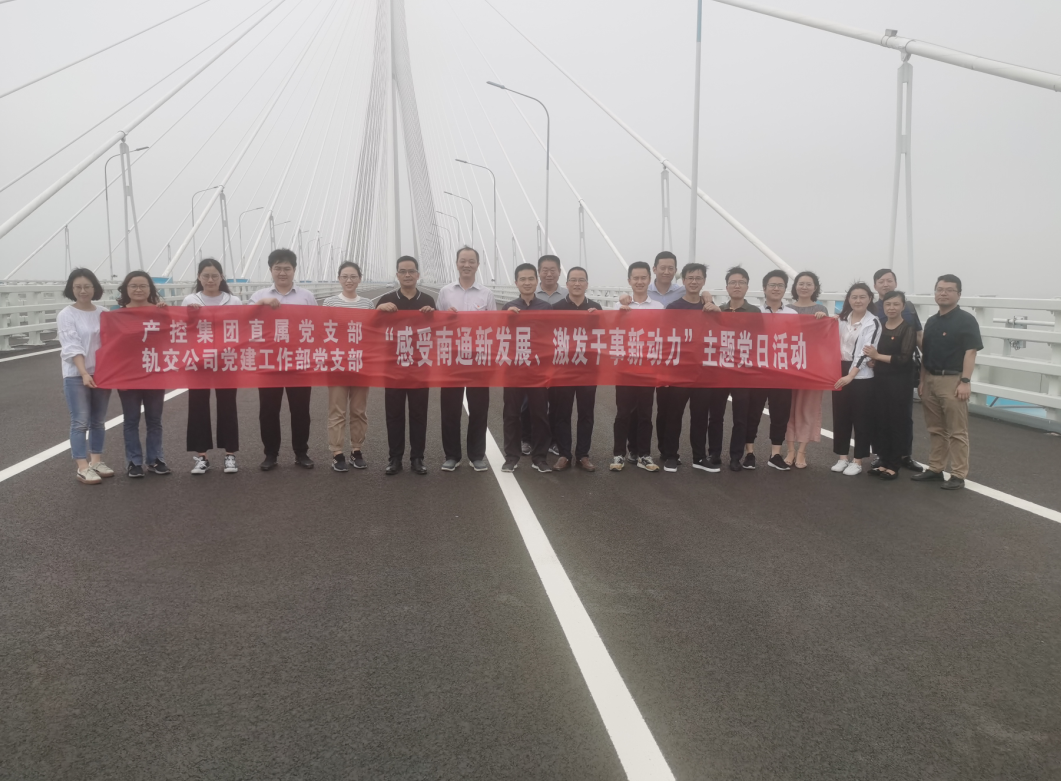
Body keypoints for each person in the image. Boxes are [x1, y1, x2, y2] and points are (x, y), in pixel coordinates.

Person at [911, 274, 983, 490]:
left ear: (958, 294)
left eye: (949, 290)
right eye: (940, 289)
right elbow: (926, 353)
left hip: (953, 379)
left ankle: (958, 474)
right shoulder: (932, 321)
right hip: (931, 379)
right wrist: (922, 381)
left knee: (957, 430)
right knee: (935, 428)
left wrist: (965, 381)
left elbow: (971, 352)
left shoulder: (966, 320)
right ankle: (935, 468)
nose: (943, 293)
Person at [249, 248, 318, 470]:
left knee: (300, 410)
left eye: (287, 268)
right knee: (268, 411)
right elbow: (244, 319)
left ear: (294, 270)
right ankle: (271, 454)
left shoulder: (306, 296)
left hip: (299, 361)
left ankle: (301, 452)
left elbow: (316, 325)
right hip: (269, 361)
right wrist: (262, 303)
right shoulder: (259, 296)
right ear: (270, 270)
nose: (282, 272)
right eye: (277, 268)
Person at [436, 246, 496, 472]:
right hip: (452, 359)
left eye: (471, 261)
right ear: (456, 263)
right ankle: (452, 455)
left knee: (479, 409)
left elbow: (494, 325)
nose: (467, 265)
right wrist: (445, 318)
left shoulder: (486, 294)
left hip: (478, 358)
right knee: (450, 409)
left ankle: (476, 455)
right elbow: (436, 324)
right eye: (463, 261)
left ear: (478, 265)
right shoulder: (445, 292)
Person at [376, 256, 436, 475]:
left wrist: (433, 315)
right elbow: (372, 328)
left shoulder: (427, 300)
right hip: (394, 367)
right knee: (394, 415)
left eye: (411, 271)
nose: (407, 275)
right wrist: (379, 309)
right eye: (403, 271)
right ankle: (395, 458)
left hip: (420, 366)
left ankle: (417, 458)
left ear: (418, 275)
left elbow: (439, 331)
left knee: (419, 414)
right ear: (397, 275)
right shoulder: (387, 299)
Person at [183, 258, 243, 475]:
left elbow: (242, 327)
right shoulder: (190, 300)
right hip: (198, 361)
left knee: (227, 405)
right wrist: (190, 315)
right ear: (199, 277)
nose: (210, 280)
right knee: (197, 406)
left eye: (214, 276)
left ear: (221, 277)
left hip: (226, 360)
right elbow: (181, 329)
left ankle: (230, 454)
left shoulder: (233, 301)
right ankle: (202, 456)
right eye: (206, 276)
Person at [660, 263, 719, 473]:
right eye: (690, 278)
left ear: (704, 281)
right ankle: (671, 455)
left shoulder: (709, 308)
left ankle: (699, 457)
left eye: (698, 278)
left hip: (703, 372)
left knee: (700, 416)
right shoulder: (673, 308)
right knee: (674, 414)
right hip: (680, 371)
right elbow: (665, 338)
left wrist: (718, 311)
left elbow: (723, 333)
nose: (694, 282)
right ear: (683, 281)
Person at [57, 268, 113, 484]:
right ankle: (82, 466)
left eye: (87, 286)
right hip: (75, 375)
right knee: (80, 421)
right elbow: (72, 346)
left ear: (94, 288)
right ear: (71, 289)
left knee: (98, 420)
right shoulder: (66, 314)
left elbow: (115, 341)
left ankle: (96, 461)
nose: (83, 291)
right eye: (78, 287)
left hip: (101, 373)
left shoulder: (103, 312)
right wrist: (83, 373)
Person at [610, 261, 664, 472]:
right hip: (625, 369)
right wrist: (620, 315)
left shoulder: (658, 307)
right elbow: (610, 332)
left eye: (643, 278)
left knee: (645, 414)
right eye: (636, 278)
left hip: (647, 369)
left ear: (649, 280)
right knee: (623, 413)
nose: (639, 281)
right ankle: (618, 454)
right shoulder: (619, 306)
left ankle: (644, 455)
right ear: (629, 281)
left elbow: (663, 336)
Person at [744, 270, 799, 471]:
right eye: (772, 285)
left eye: (780, 285)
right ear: (764, 288)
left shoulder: (793, 315)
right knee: (753, 413)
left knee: (780, 414)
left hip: (782, 373)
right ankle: (749, 453)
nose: (776, 289)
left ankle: (775, 454)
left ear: (785, 289)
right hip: (758, 372)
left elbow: (799, 341)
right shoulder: (755, 312)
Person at [116, 271, 169, 478]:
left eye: (143, 286)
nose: (138, 290)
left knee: (154, 420)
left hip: (154, 372)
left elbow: (176, 336)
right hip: (128, 375)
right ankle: (134, 462)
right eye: (133, 286)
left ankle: (155, 460)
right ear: (126, 289)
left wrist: (167, 314)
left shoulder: (160, 312)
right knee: (131, 420)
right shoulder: (116, 315)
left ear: (150, 289)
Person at [871, 268, 924, 472]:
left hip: (902, 371)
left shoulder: (909, 308)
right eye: (881, 281)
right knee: (880, 414)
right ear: (875, 285)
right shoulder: (872, 307)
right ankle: (882, 455)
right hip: (878, 371)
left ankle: (904, 455)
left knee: (904, 415)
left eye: (889, 280)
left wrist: (928, 364)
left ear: (895, 283)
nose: (885, 284)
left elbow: (918, 336)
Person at [501, 263, 552, 473]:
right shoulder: (508, 307)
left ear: (537, 281)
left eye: (531, 278)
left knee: (539, 414)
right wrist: (506, 318)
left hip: (538, 370)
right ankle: (511, 457)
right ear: (516, 283)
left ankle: (539, 458)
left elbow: (551, 337)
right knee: (511, 414)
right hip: (513, 369)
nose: (527, 282)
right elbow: (500, 335)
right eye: (522, 279)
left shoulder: (546, 308)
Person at [707, 266, 760, 472]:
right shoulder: (718, 310)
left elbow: (760, 340)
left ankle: (736, 456)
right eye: (733, 283)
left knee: (740, 417)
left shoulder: (755, 312)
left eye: (741, 282)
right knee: (716, 416)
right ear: (727, 287)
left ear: (747, 286)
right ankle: (714, 453)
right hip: (719, 371)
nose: (737, 286)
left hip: (743, 372)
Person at [322, 262, 373, 473]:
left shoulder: (368, 304)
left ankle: (356, 450)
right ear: (339, 279)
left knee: (359, 411)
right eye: (345, 276)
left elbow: (372, 334)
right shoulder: (330, 302)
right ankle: (337, 453)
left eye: (353, 276)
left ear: (360, 278)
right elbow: (323, 332)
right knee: (337, 410)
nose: (349, 280)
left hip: (361, 365)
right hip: (337, 364)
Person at [550, 266, 602, 471]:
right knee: (562, 413)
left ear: (587, 284)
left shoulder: (596, 308)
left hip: (588, 369)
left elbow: (605, 335)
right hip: (563, 369)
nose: (577, 284)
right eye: (573, 280)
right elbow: (547, 336)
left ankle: (583, 455)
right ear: (567, 284)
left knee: (586, 413)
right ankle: (564, 454)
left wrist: (597, 318)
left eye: (581, 280)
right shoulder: (556, 308)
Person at [863, 290, 918, 480]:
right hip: (879, 379)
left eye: (896, 304)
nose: (891, 308)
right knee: (880, 419)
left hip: (899, 382)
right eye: (888, 304)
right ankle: (883, 460)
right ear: (883, 307)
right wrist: (873, 360)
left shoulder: (907, 328)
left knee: (897, 421)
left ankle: (894, 464)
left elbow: (904, 359)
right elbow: (872, 351)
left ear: (903, 306)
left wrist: (877, 356)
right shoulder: (879, 326)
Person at [831, 283, 881, 476]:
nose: (858, 300)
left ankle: (858, 460)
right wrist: (821, 318)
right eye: (854, 297)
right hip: (839, 370)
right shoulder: (841, 319)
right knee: (840, 415)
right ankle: (842, 457)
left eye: (862, 297)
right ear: (848, 299)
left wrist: (851, 375)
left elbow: (866, 351)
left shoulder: (873, 322)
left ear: (869, 299)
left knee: (861, 418)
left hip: (861, 375)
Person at [784, 271, 829, 468]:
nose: (804, 287)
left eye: (808, 284)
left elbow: (826, 338)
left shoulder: (820, 309)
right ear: (795, 286)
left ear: (815, 287)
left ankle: (802, 451)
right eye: (801, 283)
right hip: (789, 365)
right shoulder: (787, 309)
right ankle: (790, 450)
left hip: (812, 367)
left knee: (808, 409)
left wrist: (823, 320)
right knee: (787, 408)